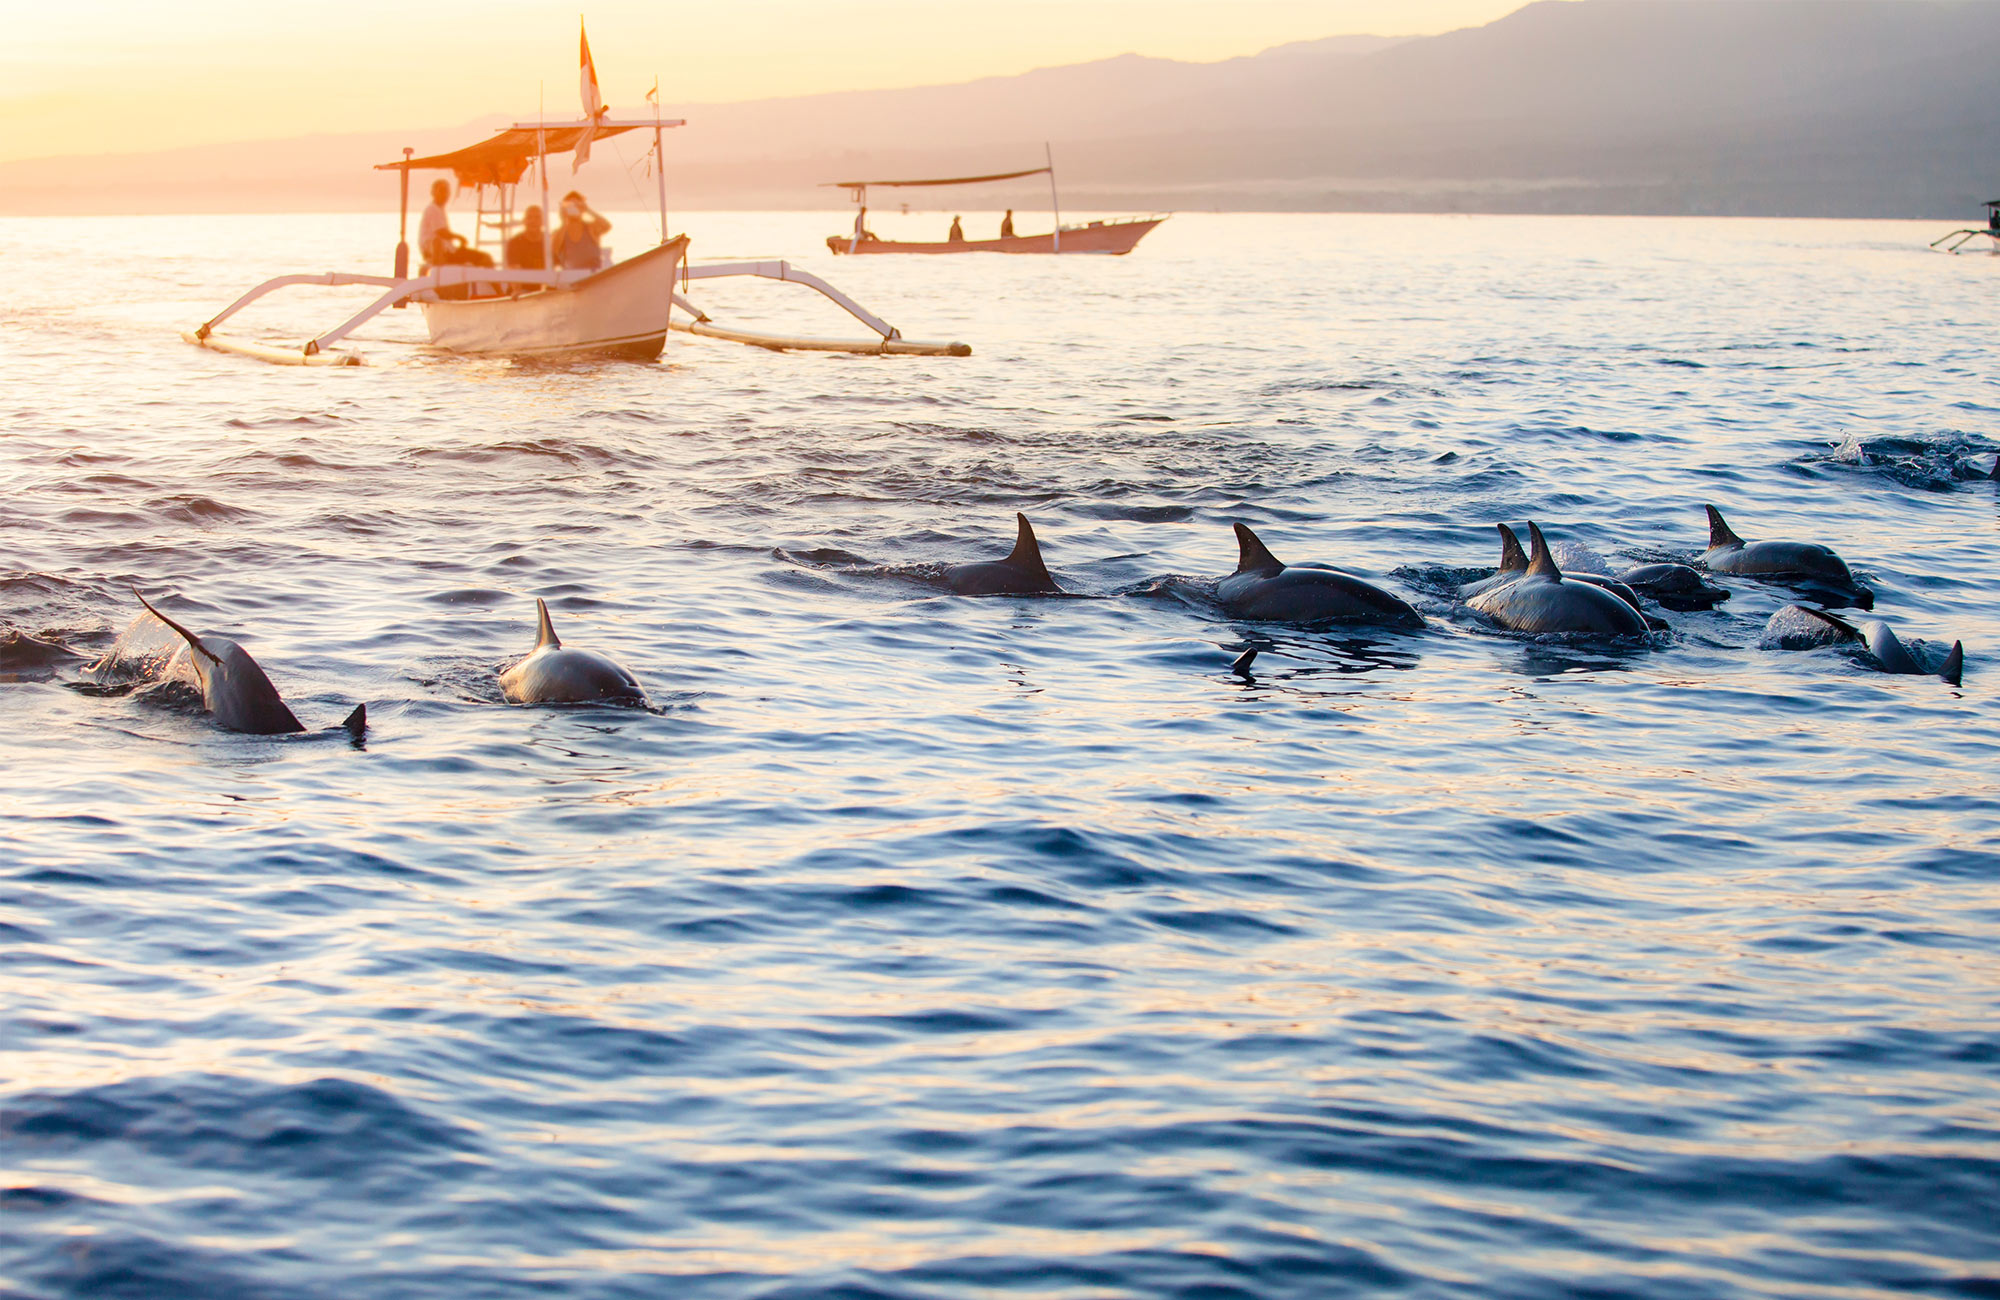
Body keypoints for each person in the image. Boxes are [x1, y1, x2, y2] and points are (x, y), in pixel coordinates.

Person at [417, 178, 494, 269]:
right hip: (439, 253)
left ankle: (486, 281)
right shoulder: (432, 209)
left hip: (448, 250)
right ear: (433, 193)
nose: (444, 195)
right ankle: (494, 282)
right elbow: (441, 232)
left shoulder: (438, 209)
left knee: (481, 259)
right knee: (485, 258)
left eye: (446, 192)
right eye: (441, 191)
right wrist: (459, 237)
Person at [553, 191, 612, 270]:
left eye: (576, 206)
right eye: (570, 206)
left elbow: (606, 226)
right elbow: (554, 249)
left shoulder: (591, 228)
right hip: (570, 277)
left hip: (593, 276)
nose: (574, 208)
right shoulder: (559, 232)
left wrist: (587, 210)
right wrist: (563, 221)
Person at [506, 205, 547, 269]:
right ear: (524, 221)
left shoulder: (551, 241)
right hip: (522, 278)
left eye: (537, 217)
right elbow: (514, 271)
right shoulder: (514, 243)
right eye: (529, 217)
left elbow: (559, 266)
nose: (533, 221)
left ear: (543, 221)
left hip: (548, 278)